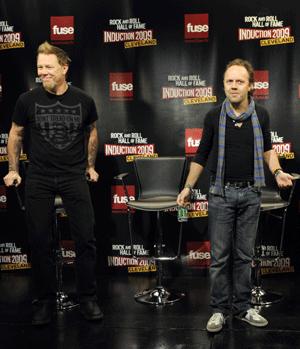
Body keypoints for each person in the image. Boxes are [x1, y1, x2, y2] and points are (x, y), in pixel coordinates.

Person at [177, 58, 294, 333]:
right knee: (219, 258)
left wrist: (276, 171)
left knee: (243, 256)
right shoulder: (212, 116)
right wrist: (187, 187)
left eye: (239, 81)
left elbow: (267, 149)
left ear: (251, 86)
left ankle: (242, 308)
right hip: (220, 194)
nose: (233, 86)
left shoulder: (261, 115)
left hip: (251, 193)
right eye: (229, 81)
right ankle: (219, 310)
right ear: (223, 85)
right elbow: (201, 154)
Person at [3, 41, 102, 325]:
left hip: (73, 175)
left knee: (86, 239)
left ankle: (88, 299)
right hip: (39, 176)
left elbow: (92, 133)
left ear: (64, 68)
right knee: (39, 242)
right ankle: (43, 301)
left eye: (48, 67)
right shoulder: (26, 100)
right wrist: (13, 169)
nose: (43, 73)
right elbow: (15, 134)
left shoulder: (83, 100)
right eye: (39, 68)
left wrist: (91, 166)